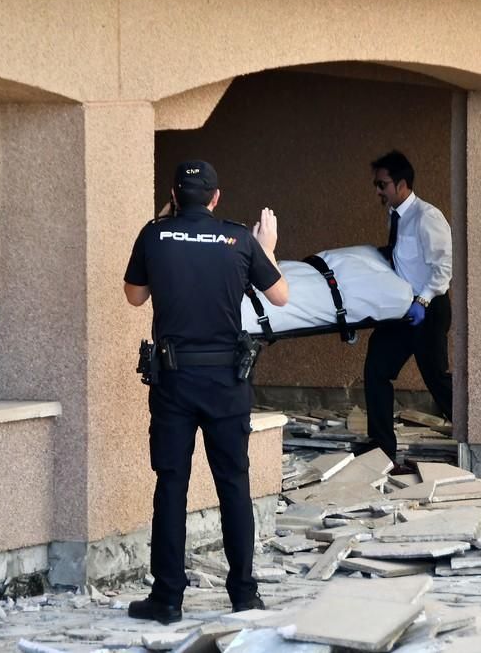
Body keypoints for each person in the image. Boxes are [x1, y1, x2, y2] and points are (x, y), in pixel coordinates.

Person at [123, 159, 288, 625]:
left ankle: (168, 600)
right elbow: (281, 297)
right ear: (216, 198)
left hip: (174, 381)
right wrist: (267, 248)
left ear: (174, 196)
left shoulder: (154, 235)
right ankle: (243, 596)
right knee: (234, 483)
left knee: (171, 486)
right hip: (226, 384)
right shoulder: (238, 238)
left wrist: (165, 248)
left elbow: (134, 297)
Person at [365, 150, 453, 466]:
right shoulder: (396, 216)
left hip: (427, 308)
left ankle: (477, 438)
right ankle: (381, 447)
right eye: (376, 184)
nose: (378, 190)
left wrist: (424, 300)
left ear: (402, 184)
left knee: (436, 378)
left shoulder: (427, 217)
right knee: (376, 369)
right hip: (402, 310)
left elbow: (443, 266)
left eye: (382, 184)